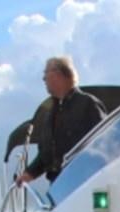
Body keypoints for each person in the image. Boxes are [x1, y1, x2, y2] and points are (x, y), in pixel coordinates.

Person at [16, 56, 106, 185]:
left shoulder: (87, 104)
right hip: (58, 187)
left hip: (84, 181)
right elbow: (45, 154)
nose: (43, 79)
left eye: (45, 73)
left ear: (58, 74)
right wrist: (28, 174)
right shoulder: (50, 115)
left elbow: (103, 139)